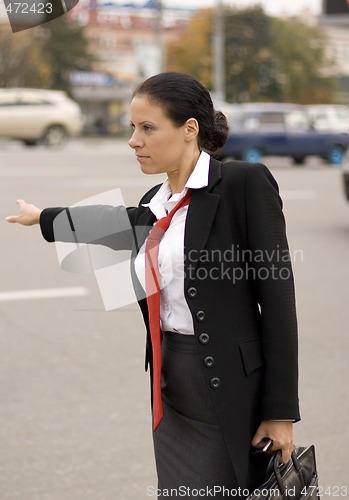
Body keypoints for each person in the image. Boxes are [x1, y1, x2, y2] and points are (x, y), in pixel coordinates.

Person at [7, 72, 300, 498]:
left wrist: (280, 413)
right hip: (170, 385)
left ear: (189, 130)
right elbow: (118, 223)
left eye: (147, 128)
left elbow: (279, 305)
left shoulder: (244, 184)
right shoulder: (153, 202)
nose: (134, 141)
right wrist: (43, 218)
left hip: (229, 387)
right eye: (132, 128)